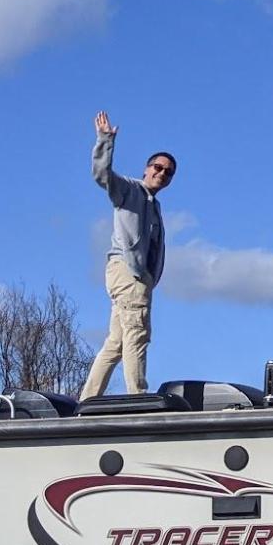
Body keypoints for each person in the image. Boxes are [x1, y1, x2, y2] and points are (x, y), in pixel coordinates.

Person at [80, 110, 176, 400]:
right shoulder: (130, 190)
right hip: (128, 272)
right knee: (138, 333)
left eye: (168, 172)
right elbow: (102, 175)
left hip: (139, 277)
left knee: (117, 342)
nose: (161, 174)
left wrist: (150, 277)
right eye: (158, 168)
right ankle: (139, 396)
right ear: (147, 168)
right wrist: (105, 141)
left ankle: (87, 399)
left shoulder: (154, 206)